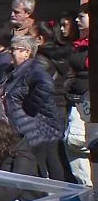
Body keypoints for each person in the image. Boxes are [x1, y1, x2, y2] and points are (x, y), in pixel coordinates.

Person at [2, 35, 63, 182]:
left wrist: (29, 107)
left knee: (47, 163)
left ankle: (60, 197)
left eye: (14, 49)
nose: (11, 52)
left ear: (27, 52)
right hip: (29, 127)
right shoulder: (17, 71)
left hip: (41, 127)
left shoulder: (34, 69)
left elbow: (46, 85)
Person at [31, 21, 71, 180]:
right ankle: (58, 192)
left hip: (45, 113)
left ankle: (43, 192)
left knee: (41, 155)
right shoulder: (58, 57)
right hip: (58, 110)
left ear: (40, 39)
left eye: (30, 36)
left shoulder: (40, 61)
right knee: (52, 155)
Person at [65, 3, 91, 185]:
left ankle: (89, 188)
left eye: (81, 16)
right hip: (75, 100)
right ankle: (88, 188)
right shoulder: (78, 44)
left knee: (74, 140)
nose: (77, 20)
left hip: (86, 101)